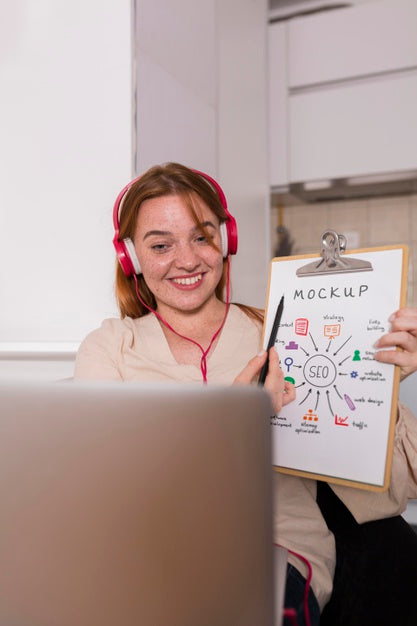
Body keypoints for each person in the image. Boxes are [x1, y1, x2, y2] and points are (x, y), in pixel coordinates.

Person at [75, 162, 417, 625]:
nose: (187, 259)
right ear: (132, 257)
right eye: (161, 245)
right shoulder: (111, 346)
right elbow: (105, 488)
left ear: (226, 240)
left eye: (202, 236)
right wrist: (234, 420)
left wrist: (382, 386)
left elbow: (390, 493)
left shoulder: (286, 334)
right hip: (151, 552)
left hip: (271, 550)